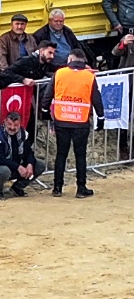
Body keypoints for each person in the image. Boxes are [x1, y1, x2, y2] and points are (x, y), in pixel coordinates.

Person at [50, 50, 102, 198]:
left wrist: (45, 111)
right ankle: (81, 188)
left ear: (70, 59)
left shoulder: (59, 73)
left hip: (62, 119)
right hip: (80, 121)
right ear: (83, 61)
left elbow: (48, 94)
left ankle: (57, 188)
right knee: (80, 155)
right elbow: (96, 98)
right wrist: (101, 116)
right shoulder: (89, 76)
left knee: (61, 154)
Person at [0, 110, 41, 198]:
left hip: (18, 166)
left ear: (20, 124)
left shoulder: (23, 134)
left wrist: (29, 165)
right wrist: (18, 167)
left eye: (16, 125)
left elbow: (29, 152)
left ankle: (17, 188)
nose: (12, 128)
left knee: (40, 165)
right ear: (5, 122)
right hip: (0, 168)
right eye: (9, 124)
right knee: (3, 171)